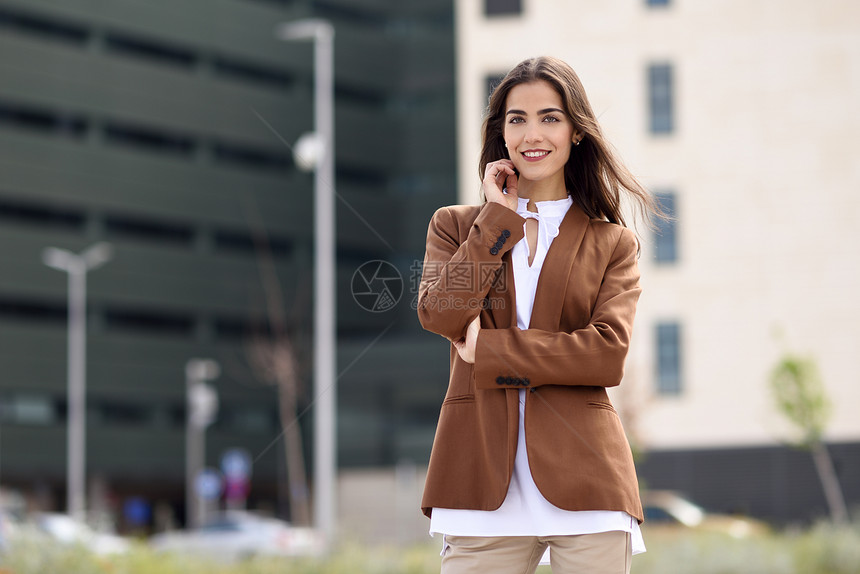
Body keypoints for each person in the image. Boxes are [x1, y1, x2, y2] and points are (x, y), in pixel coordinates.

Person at [416, 56, 661, 574]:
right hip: (478, 483)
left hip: (589, 484)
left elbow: (605, 355)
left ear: (575, 131)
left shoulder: (612, 243)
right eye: (517, 118)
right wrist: (497, 218)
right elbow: (440, 314)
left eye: (550, 117)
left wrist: (491, 351)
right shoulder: (456, 227)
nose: (533, 133)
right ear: (500, 133)